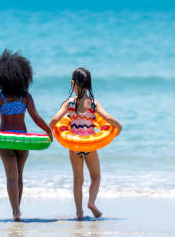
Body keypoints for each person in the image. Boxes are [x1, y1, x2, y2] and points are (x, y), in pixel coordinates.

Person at [0, 50, 52, 221]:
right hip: (22, 140)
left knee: (11, 176)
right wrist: (48, 131)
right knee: (19, 175)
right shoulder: (25, 97)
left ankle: (15, 212)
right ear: (23, 77)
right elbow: (36, 117)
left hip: (5, 140)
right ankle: (18, 209)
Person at [49, 68, 122, 220]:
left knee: (78, 179)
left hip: (74, 146)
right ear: (89, 85)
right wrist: (118, 127)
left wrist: (50, 133)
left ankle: (79, 213)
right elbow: (107, 118)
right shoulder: (94, 104)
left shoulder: (68, 103)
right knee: (96, 177)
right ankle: (91, 202)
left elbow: (55, 120)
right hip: (90, 145)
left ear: (72, 83)